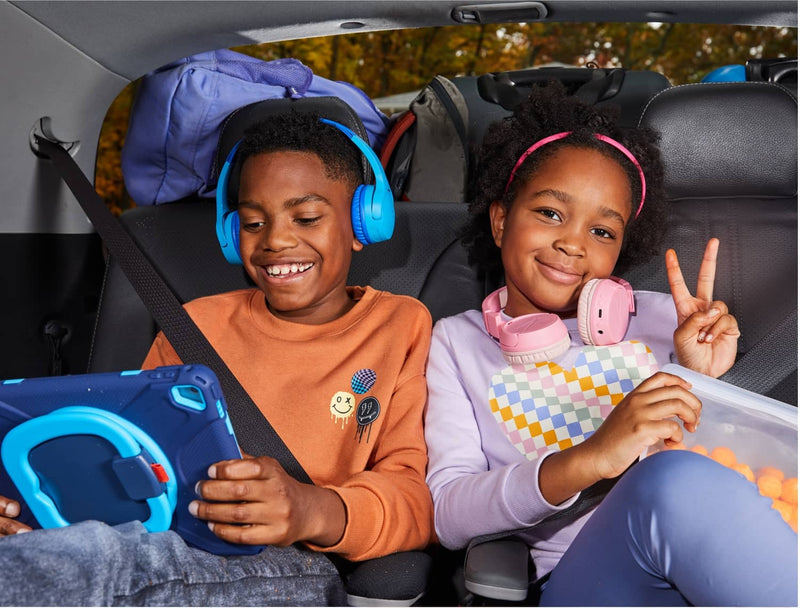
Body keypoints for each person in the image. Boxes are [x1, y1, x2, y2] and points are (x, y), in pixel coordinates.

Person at [0, 111, 434, 606]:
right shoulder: (193, 324)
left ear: (363, 221)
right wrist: (30, 515)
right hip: (153, 541)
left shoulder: (401, 326)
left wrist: (312, 510)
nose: (275, 239)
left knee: (96, 565)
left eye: (307, 217)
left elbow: (415, 500)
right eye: (253, 222)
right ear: (231, 233)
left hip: (286, 560)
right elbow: (126, 451)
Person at [424, 82, 797, 606]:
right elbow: (447, 512)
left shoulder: (668, 320)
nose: (572, 242)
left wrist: (703, 381)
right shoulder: (456, 343)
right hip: (590, 579)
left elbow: (737, 463)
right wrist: (593, 456)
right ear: (501, 217)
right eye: (551, 213)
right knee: (671, 480)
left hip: (716, 572)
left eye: (603, 232)